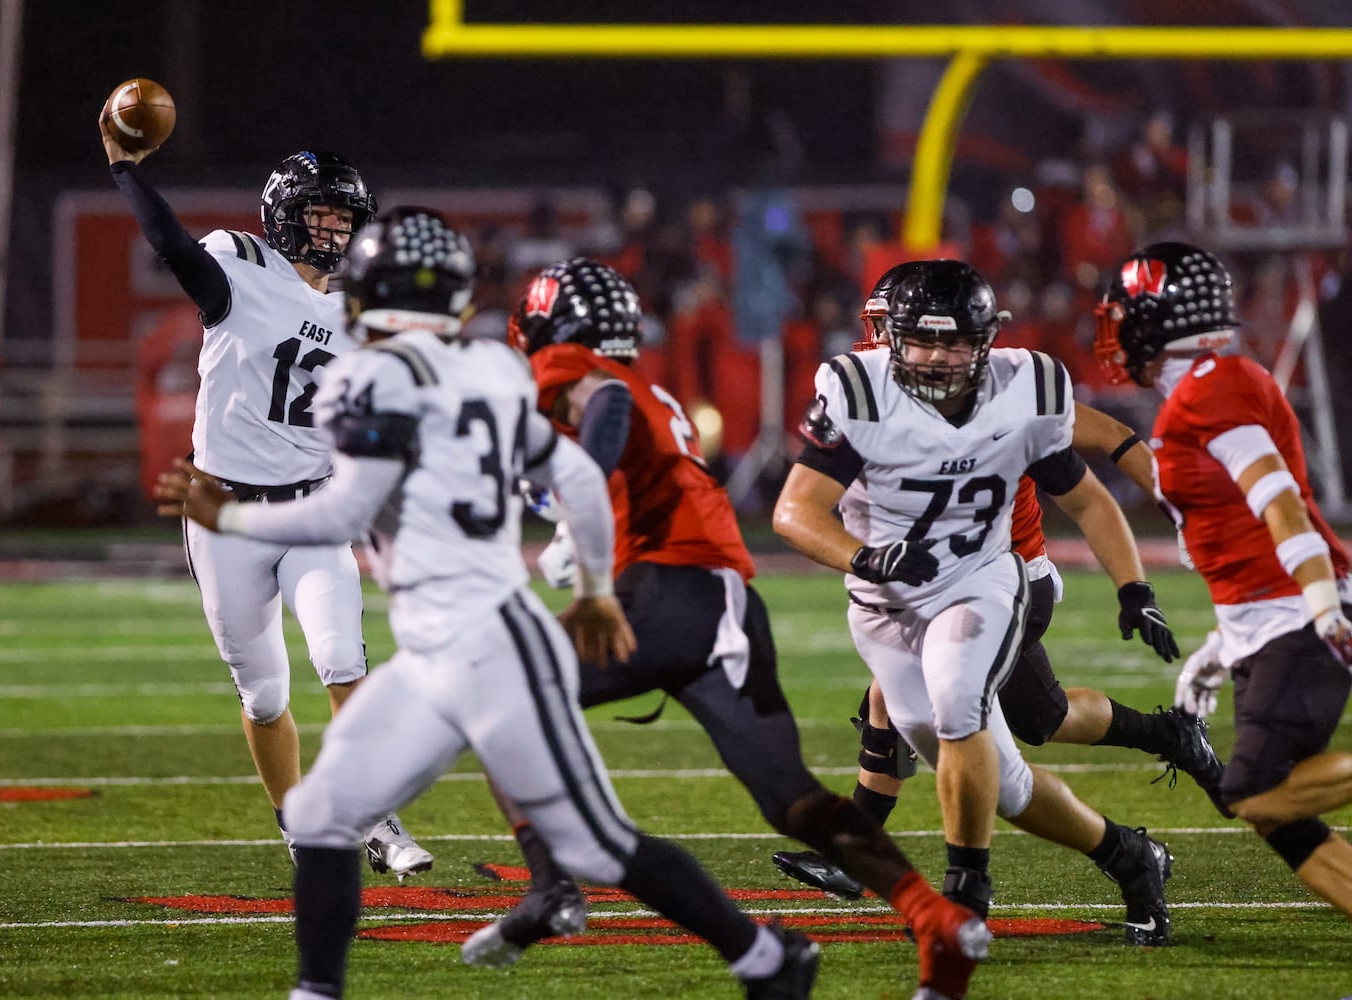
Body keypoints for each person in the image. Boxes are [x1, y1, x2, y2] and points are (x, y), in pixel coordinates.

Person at [156, 208, 827, 1000]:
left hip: (491, 647)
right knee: (320, 812)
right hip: (441, 647)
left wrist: (229, 514)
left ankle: (764, 959)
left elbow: (341, 513)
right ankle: (317, 992)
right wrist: (594, 588)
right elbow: (575, 476)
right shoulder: (495, 372)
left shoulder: (361, 379)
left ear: (367, 294)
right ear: (460, 304)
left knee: (601, 843)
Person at [472, 256, 990, 1000]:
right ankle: (932, 916)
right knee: (792, 800)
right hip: (727, 602)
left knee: (491, 688)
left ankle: (551, 883)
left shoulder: (570, 366)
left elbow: (603, 413)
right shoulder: (646, 384)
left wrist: (581, 499)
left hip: (667, 591)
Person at [774, 263, 1226, 902]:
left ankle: (900, 864)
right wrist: (868, 558)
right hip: (900, 593)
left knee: (941, 700)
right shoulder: (860, 387)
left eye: (952, 341)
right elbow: (798, 506)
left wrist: (1155, 554)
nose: (931, 356)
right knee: (1034, 725)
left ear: (980, 339)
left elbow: (1106, 452)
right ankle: (1160, 760)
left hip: (1007, 573)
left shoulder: (1016, 385)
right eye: (899, 332)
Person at [99, 117, 429, 877]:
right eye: (321, 212)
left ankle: (376, 814)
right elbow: (174, 248)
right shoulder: (238, 266)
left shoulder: (359, 314)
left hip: (310, 506)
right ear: (283, 213)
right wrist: (124, 169)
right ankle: (296, 824)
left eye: (344, 218)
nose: (334, 229)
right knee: (264, 693)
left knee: (343, 659)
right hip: (223, 515)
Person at [1094, 240, 1352, 916]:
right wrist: (1221, 645)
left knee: (1252, 793)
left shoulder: (1211, 390)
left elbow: (1279, 502)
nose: (1116, 326)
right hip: (1269, 617)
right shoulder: (1212, 384)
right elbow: (1246, 532)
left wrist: (1324, 605)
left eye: (1126, 312)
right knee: (1278, 813)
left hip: (1297, 614)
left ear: (1159, 316)